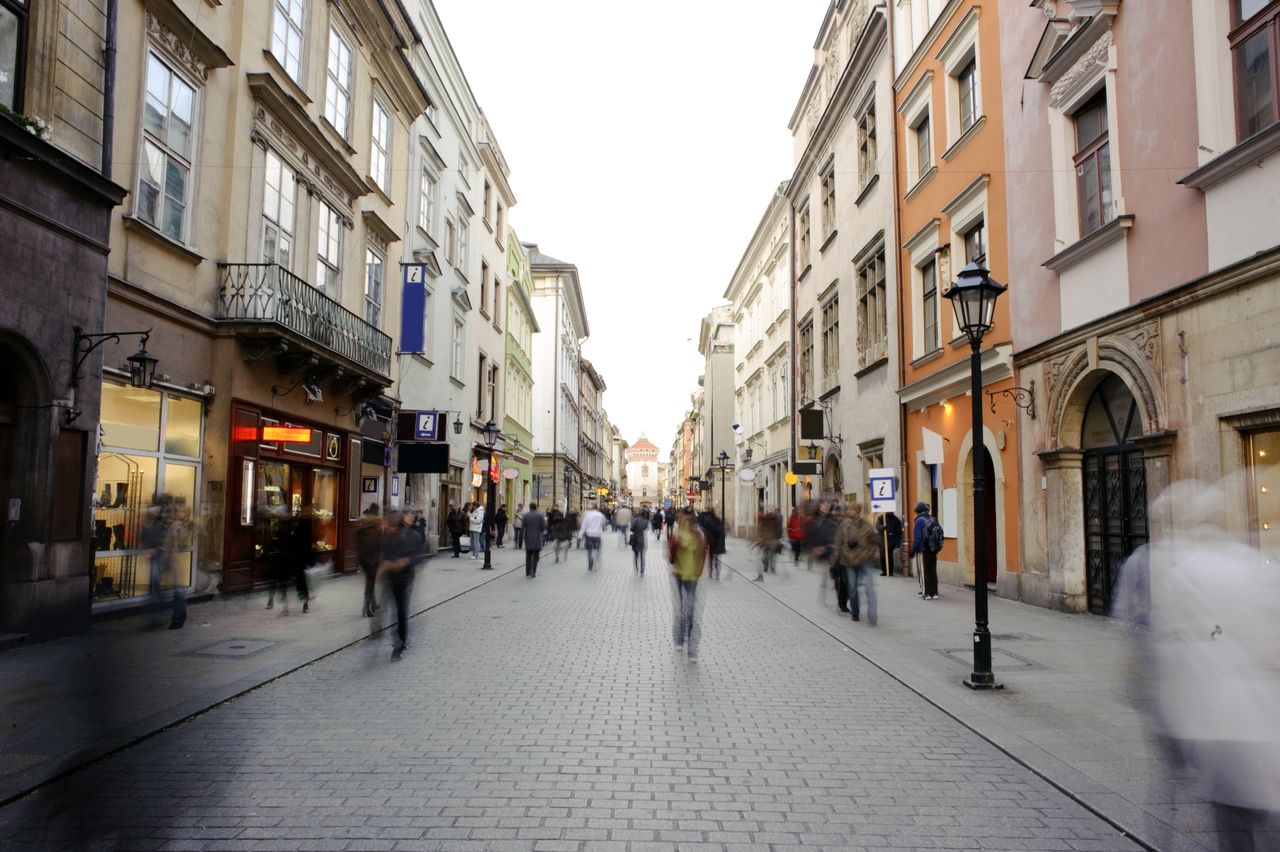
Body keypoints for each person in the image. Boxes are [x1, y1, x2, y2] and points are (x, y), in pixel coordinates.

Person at [379, 509, 420, 661]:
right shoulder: (389, 535)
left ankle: (400, 642)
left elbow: (418, 555)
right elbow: (384, 552)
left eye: (411, 516)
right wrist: (386, 564)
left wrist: (407, 561)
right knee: (392, 610)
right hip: (391, 577)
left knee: (401, 611)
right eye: (407, 516)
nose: (408, 519)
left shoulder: (414, 536)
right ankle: (396, 637)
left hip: (405, 578)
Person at [667, 510, 707, 659]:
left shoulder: (698, 536)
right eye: (681, 520)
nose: (683, 522)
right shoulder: (676, 534)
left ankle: (691, 647)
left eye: (686, 520)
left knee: (689, 611)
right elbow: (671, 556)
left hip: (692, 576)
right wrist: (676, 546)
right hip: (678, 574)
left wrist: (699, 572)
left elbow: (702, 554)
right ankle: (678, 639)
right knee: (679, 610)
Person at [835, 502, 881, 625]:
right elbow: (838, 543)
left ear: (857, 511)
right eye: (848, 509)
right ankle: (855, 612)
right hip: (848, 561)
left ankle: (872, 614)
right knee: (852, 588)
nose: (848, 512)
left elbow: (874, 542)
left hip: (864, 560)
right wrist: (838, 558)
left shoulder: (866, 526)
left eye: (851, 510)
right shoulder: (843, 526)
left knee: (869, 587)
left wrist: (869, 554)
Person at [911, 501, 942, 600]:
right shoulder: (933, 519)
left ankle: (926, 592)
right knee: (932, 570)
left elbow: (918, 538)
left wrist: (913, 550)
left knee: (924, 571)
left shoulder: (919, 520)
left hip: (923, 550)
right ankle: (934, 592)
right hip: (933, 549)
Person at [355, 503, 382, 617]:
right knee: (370, 584)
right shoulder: (378, 523)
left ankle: (373, 604)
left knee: (370, 581)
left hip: (364, 557)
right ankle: (366, 607)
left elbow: (357, 541)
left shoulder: (362, 523)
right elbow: (380, 542)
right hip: (374, 558)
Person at [754, 508, 782, 582]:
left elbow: (761, 531)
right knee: (772, 555)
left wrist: (760, 538)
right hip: (772, 540)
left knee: (765, 554)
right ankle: (772, 569)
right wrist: (778, 538)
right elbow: (778, 531)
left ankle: (765, 567)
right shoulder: (776, 522)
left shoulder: (764, 522)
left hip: (765, 541)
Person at [521, 502, 546, 577]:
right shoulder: (540, 515)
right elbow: (543, 527)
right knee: (536, 556)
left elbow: (522, 528)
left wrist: (520, 540)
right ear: (536, 507)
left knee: (528, 555)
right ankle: (533, 571)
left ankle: (527, 571)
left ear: (530, 507)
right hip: (537, 538)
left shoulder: (526, 516)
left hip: (528, 537)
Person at [700, 509, 726, 580]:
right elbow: (722, 533)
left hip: (711, 542)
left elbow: (706, 531)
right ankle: (717, 574)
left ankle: (710, 573)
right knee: (717, 558)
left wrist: (706, 542)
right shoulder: (718, 520)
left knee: (711, 558)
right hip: (718, 542)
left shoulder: (708, 520)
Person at [876, 511, 904, 577]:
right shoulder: (881, 518)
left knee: (889, 556)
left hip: (891, 541)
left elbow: (898, 532)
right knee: (882, 556)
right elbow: (878, 525)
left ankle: (890, 571)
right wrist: (882, 528)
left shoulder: (896, 520)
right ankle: (884, 571)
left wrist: (897, 543)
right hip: (882, 541)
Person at [580, 502, 607, 570]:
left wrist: (580, 534)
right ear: (597, 507)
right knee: (597, 549)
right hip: (597, 534)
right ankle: (596, 562)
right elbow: (603, 523)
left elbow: (584, 525)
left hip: (589, 534)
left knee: (589, 550)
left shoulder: (588, 515)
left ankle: (590, 564)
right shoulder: (600, 515)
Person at [629, 509, 650, 574]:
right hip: (644, 539)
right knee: (643, 555)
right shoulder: (646, 521)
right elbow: (647, 529)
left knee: (635, 555)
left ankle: (636, 569)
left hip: (636, 539)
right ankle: (642, 570)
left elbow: (631, 529)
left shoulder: (635, 520)